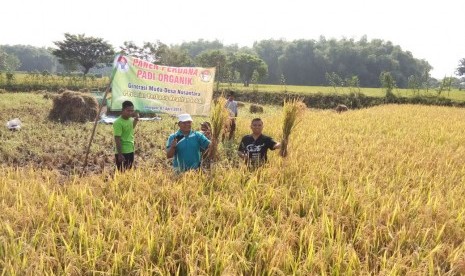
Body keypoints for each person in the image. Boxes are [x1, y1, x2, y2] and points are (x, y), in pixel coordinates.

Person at [113, 100, 139, 172]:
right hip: (123, 151)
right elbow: (117, 139)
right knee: (122, 172)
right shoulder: (118, 122)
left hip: (131, 149)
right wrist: (120, 154)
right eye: (128, 111)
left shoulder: (130, 119)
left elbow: (131, 128)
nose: (130, 113)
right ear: (122, 110)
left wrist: (136, 120)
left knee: (129, 171)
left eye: (132, 111)